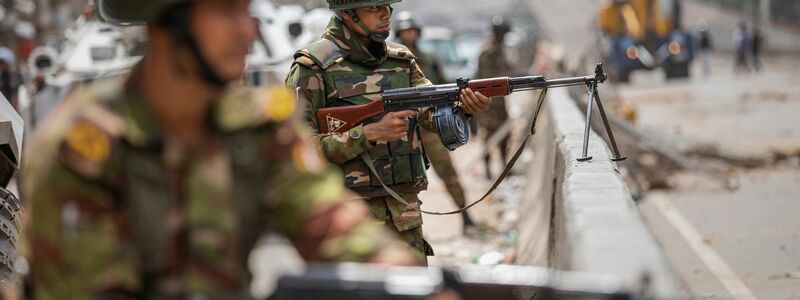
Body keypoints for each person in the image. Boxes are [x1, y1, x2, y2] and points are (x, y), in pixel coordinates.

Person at [22, 0, 417, 298]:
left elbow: (326, 216)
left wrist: (398, 274)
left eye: (246, 11)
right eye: (226, 12)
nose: (247, 32)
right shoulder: (82, 148)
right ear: (168, 24)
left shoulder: (259, 127)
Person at [286, 0, 492, 263]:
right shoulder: (313, 68)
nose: (386, 14)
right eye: (374, 8)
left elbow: (430, 113)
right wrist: (368, 134)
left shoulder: (401, 60)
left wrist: (464, 108)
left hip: (403, 212)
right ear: (348, 13)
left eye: (388, 6)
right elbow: (298, 152)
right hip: (347, 218)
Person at [393, 11, 476, 233]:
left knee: (447, 171)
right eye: (405, 32)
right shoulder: (393, 62)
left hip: (428, 123)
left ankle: (465, 214)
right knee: (402, 176)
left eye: (412, 31)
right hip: (402, 127)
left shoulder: (428, 58)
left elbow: (442, 86)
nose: (409, 35)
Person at [476, 16, 513, 179]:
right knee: (489, 136)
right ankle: (488, 170)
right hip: (489, 101)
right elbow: (485, 78)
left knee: (505, 134)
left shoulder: (500, 50)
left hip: (500, 101)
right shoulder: (488, 52)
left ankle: (505, 167)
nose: (502, 37)